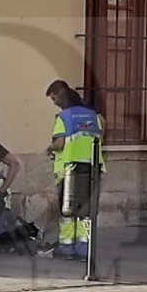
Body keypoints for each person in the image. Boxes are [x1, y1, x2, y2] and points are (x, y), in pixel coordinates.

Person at [45, 80, 104, 261]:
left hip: (70, 170)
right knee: (86, 211)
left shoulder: (63, 117)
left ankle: (66, 248)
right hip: (93, 168)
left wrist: (49, 148)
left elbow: (60, 143)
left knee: (68, 210)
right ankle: (84, 250)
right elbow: (102, 133)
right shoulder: (93, 115)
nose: (54, 102)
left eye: (54, 98)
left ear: (60, 95)